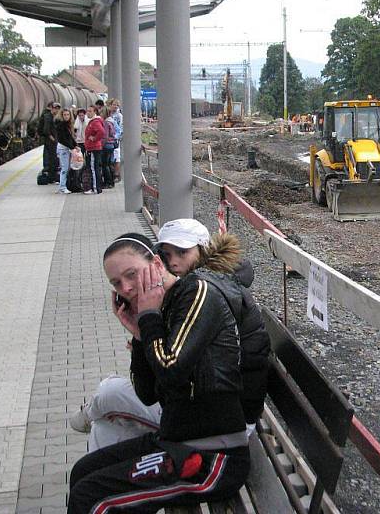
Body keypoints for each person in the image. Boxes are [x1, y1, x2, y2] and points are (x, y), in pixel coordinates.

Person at [67, 231, 251, 512]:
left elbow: (171, 369)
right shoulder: (162, 305)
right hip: (176, 442)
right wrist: (140, 335)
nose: (125, 288)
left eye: (131, 274)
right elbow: (148, 394)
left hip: (214, 456)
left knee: (92, 498)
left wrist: (148, 317)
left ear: (155, 263)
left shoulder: (197, 293)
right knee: (82, 472)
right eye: (116, 283)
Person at [69, 219, 270, 450]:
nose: (173, 261)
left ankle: (90, 412)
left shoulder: (203, 292)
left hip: (222, 419)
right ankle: (97, 427)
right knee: (105, 425)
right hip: (199, 408)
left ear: (203, 250)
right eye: (166, 254)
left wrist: (148, 323)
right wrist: (142, 336)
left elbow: (168, 369)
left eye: (182, 252)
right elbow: (154, 386)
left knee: (109, 392)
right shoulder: (192, 290)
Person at [84, 106, 105, 195]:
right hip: (93, 147)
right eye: (87, 111)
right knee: (94, 167)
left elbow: (102, 132)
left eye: (90, 111)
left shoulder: (95, 122)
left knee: (93, 168)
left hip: (94, 148)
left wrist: (94, 138)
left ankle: (95, 188)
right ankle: (95, 187)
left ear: (94, 112)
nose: (88, 113)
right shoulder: (93, 121)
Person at [55, 108, 76, 194]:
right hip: (63, 149)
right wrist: (72, 147)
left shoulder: (67, 124)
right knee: (65, 168)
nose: (66, 116)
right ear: (62, 115)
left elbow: (70, 137)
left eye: (68, 115)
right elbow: (62, 139)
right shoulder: (60, 125)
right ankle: (62, 187)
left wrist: (75, 145)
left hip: (66, 148)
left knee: (66, 167)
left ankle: (63, 186)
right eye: (65, 115)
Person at [39, 102, 59, 181]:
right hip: (50, 142)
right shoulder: (48, 117)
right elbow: (46, 130)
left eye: (58, 109)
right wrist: (53, 139)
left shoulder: (54, 117)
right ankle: (51, 177)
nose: (56, 110)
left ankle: (52, 176)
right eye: (55, 108)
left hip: (53, 141)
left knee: (53, 159)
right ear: (52, 108)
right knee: (52, 158)